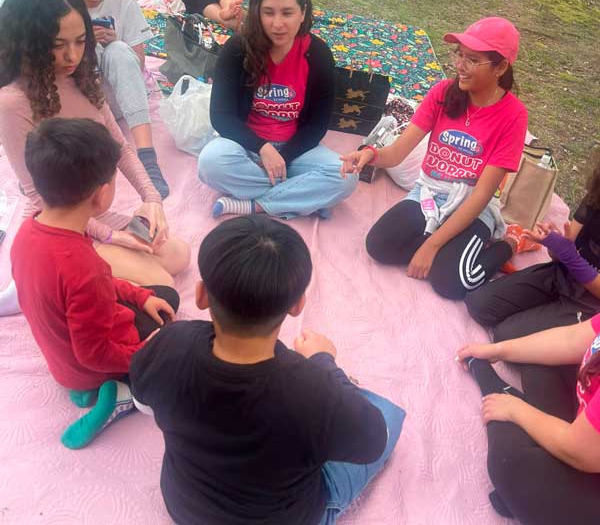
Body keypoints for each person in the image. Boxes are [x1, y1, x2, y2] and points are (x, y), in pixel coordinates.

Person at [130, 215, 405, 525]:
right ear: (297, 305)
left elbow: (143, 403)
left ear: (202, 295)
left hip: (186, 508)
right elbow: (373, 442)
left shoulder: (170, 344)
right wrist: (325, 362)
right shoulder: (314, 390)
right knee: (387, 416)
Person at [0, 0, 190, 316]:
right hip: (56, 228)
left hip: (92, 214)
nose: (72, 55)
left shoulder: (82, 79)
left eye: (80, 40)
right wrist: (112, 237)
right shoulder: (13, 102)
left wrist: (151, 200)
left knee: (177, 254)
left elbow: (122, 149)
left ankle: (57, 283)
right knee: (164, 285)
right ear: (28, 41)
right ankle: (35, 284)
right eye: (58, 45)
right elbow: (40, 199)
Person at [12, 118, 180, 448]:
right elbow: (93, 352)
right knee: (171, 315)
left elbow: (74, 295)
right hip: (93, 366)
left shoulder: (28, 232)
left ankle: (84, 390)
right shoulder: (84, 267)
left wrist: (139, 295)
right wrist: (143, 355)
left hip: (63, 365)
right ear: (102, 196)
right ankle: (121, 395)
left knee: (152, 296)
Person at [341, 17, 530, 300]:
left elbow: (480, 196)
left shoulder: (513, 116)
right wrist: (369, 154)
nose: (459, 65)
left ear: (500, 67)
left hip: (472, 204)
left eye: (472, 60)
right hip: (429, 193)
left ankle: (510, 242)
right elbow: (397, 153)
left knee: (451, 283)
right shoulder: (443, 92)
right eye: (459, 55)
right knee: (377, 246)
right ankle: (445, 245)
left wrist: (430, 247)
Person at [197, 0, 358, 219]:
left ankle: (254, 205)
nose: (277, 24)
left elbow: (317, 124)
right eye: (268, 13)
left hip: (296, 151)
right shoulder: (238, 48)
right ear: (257, 13)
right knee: (210, 163)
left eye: (287, 13)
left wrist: (283, 156)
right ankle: (304, 198)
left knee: (347, 177)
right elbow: (221, 116)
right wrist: (262, 148)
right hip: (246, 146)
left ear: (303, 13)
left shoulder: (318, 54)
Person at [456, 315, 600, 523]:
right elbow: (571, 338)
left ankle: (494, 389)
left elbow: (577, 449)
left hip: (586, 457)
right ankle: (532, 494)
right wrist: (497, 351)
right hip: (587, 440)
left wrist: (517, 411)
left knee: (510, 465)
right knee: (538, 363)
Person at [65, 0, 170, 198]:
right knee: (87, 50)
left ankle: (147, 156)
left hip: (115, 98)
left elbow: (137, 64)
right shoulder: (57, 1)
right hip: (75, 99)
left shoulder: (122, 0)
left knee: (119, 51)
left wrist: (111, 42)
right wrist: (83, 43)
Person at [465, 157, 600, 341]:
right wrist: (555, 243)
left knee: (506, 334)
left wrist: (571, 257)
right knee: (479, 304)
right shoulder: (597, 194)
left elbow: (571, 258)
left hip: (591, 303)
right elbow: (563, 253)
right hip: (562, 275)